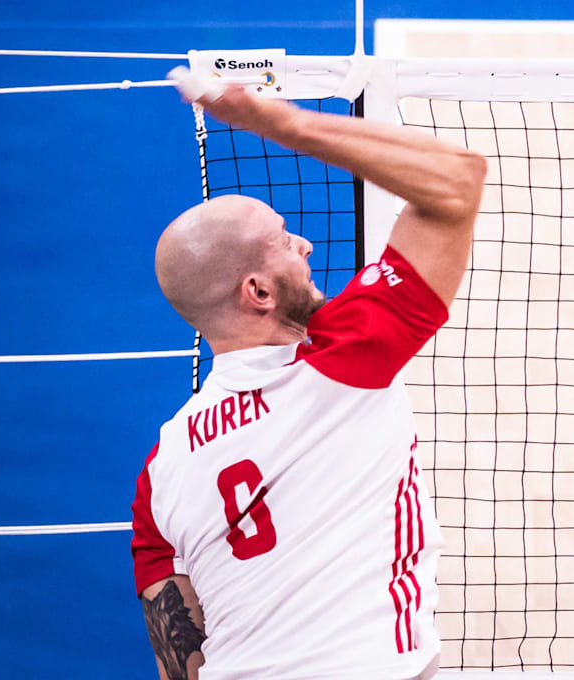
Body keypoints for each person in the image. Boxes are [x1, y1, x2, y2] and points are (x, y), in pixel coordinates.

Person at [130, 69, 487, 680]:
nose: (305, 245)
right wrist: (281, 122)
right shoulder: (343, 358)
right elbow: (458, 178)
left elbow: (176, 647)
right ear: (259, 292)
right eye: (283, 242)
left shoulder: (162, 465)